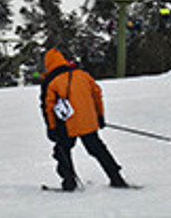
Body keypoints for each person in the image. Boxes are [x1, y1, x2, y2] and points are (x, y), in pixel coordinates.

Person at [40, 47, 129, 190]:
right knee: (98, 149)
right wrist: (100, 116)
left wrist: (51, 127)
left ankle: (69, 182)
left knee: (62, 151)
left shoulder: (51, 82)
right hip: (88, 122)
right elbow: (97, 95)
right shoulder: (83, 75)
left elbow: (48, 108)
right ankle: (116, 178)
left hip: (66, 125)